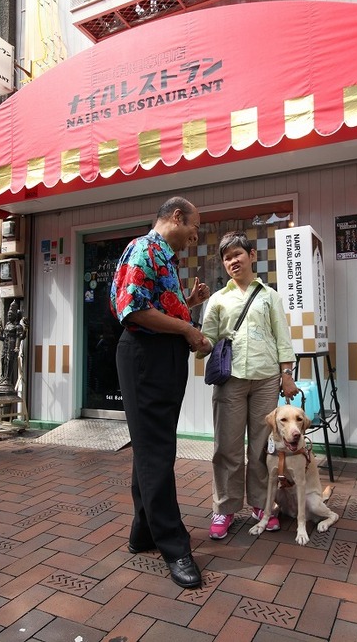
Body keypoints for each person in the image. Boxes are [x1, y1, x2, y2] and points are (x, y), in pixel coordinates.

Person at [110, 196, 211, 589]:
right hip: (145, 359)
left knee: (153, 446)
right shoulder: (144, 248)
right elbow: (133, 310)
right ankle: (175, 545)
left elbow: (156, 310)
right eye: (193, 227)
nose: (194, 235)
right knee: (157, 451)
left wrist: (188, 306)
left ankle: (143, 531)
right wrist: (187, 328)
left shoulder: (164, 256)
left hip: (160, 357)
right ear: (175, 217)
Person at [199, 231, 298, 540]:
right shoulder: (218, 299)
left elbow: (281, 335)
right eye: (227, 258)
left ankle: (260, 504)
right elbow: (207, 340)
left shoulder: (269, 295)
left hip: (267, 379)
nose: (232, 261)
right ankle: (224, 508)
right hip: (230, 380)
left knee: (261, 447)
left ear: (252, 256)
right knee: (226, 447)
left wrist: (286, 373)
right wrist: (188, 321)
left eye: (237, 255)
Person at [0, 300, 28, 389]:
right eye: (8, 314)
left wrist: (16, 346)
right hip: (5, 345)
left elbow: (20, 337)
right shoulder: (7, 325)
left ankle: (7, 379)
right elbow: (4, 337)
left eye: (11, 314)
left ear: (15, 315)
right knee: (2, 359)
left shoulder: (18, 326)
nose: (9, 315)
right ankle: (2, 377)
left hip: (12, 347)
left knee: (9, 361)